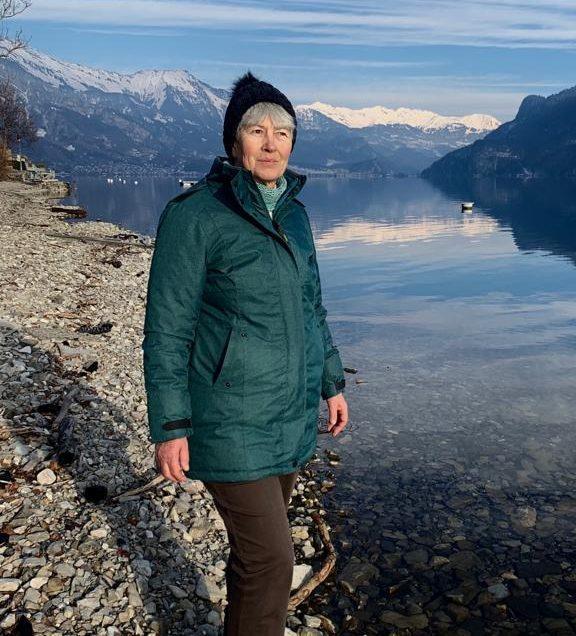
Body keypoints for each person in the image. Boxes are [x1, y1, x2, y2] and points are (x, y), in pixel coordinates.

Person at [141, 71, 349, 635]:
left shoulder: (296, 217)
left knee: (254, 557)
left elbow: (312, 308)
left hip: (286, 413)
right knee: (273, 559)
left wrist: (331, 381)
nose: (271, 142)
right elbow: (166, 331)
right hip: (227, 418)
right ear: (235, 142)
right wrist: (171, 424)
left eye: (283, 131)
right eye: (257, 130)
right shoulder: (196, 217)